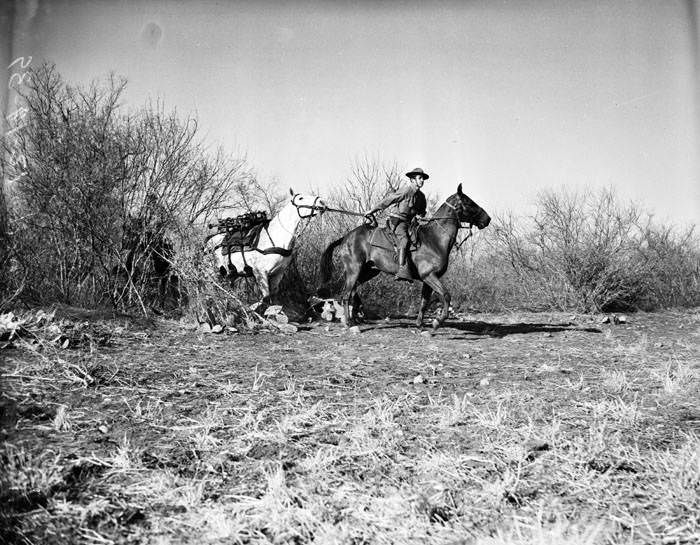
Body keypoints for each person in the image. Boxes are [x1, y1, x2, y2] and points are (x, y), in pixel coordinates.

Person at [365, 167, 428, 281]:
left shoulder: (422, 197)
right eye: (419, 178)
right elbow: (388, 201)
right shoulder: (405, 191)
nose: (422, 180)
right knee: (404, 240)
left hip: (410, 224)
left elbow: (422, 212)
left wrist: (421, 215)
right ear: (412, 180)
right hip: (397, 221)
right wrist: (372, 211)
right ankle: (402, 269)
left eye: (423, 178)